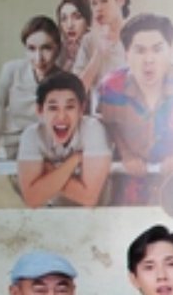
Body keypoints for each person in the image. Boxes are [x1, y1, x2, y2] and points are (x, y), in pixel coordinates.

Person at [97, 13, 173, 205]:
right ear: (127, 54)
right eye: (140, 50)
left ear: (170, 51)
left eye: (157, 49)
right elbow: (108, 125)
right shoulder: (110, 87)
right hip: (130, 194)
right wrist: (126, 153)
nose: (149, 59)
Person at [16, 71, 112, 208]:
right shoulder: (32, 135)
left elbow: (89, 197)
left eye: (70, 107)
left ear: (81, 109)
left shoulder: (93, 129)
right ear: (40, 110)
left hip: (99, 214)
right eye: (53, 108)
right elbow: (32, 199)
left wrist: (48, 171)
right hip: (54, 212)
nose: (61, 116)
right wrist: (73, 161)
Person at [0, 15, 62, 159]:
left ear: (57, 49)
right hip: (14, 150)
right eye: (31, 49)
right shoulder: (11, 71)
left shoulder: (63, 79)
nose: (38, 58)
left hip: (48, 152)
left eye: (46, 48)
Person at [73, 0, 130, 94]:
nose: (98, 8)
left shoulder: (137, 34)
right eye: (94, 3)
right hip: (99, 105)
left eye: (104, 0)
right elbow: (76, 91)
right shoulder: (88, 40)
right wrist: (98, 54)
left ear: (121, 0)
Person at [55, 0, 92, 71]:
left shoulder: (98, 49)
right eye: (64, 19)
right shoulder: (58, 52)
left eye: (77, 17)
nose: (70, 25)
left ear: (88, 20)